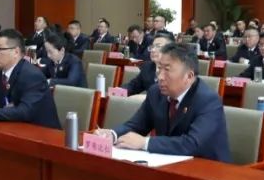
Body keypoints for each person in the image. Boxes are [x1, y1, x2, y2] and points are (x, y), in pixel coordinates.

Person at [94, 43, 230, 161]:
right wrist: (112, 134)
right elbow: (136, 125)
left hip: (207, 169)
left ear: (189, 76)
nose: (160, 76)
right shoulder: (156, 92)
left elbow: (192, 144)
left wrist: (145, 143)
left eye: (167, 70)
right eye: (159, 68)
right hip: (168, 164)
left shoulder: (208, 100)